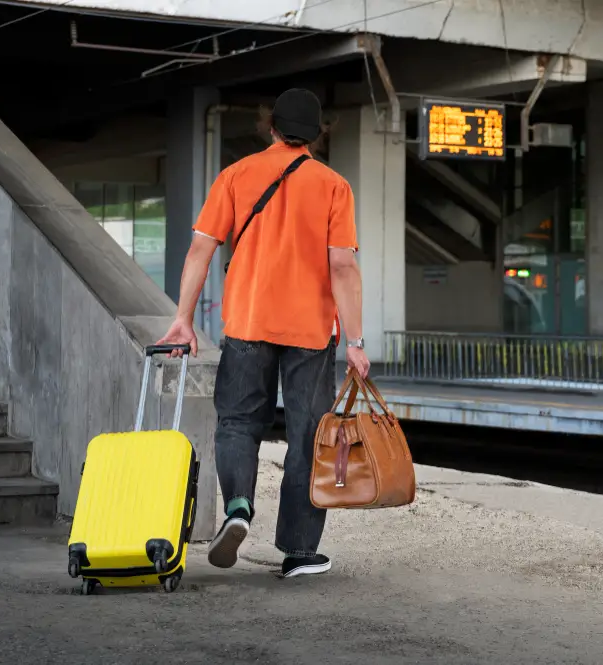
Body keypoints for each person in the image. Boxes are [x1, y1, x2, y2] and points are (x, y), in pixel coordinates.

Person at [155, 87, 369, 579]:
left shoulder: (236, 175)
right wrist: (354, 341)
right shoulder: (333, 185)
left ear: (270, 126)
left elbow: (200, 251)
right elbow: (343, 266)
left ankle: (237, 507)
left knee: (237, 423)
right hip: (311, 332)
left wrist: (183, 319)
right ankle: (298, 551)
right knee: (308, 436)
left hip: (248, 322)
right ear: (318, 134)